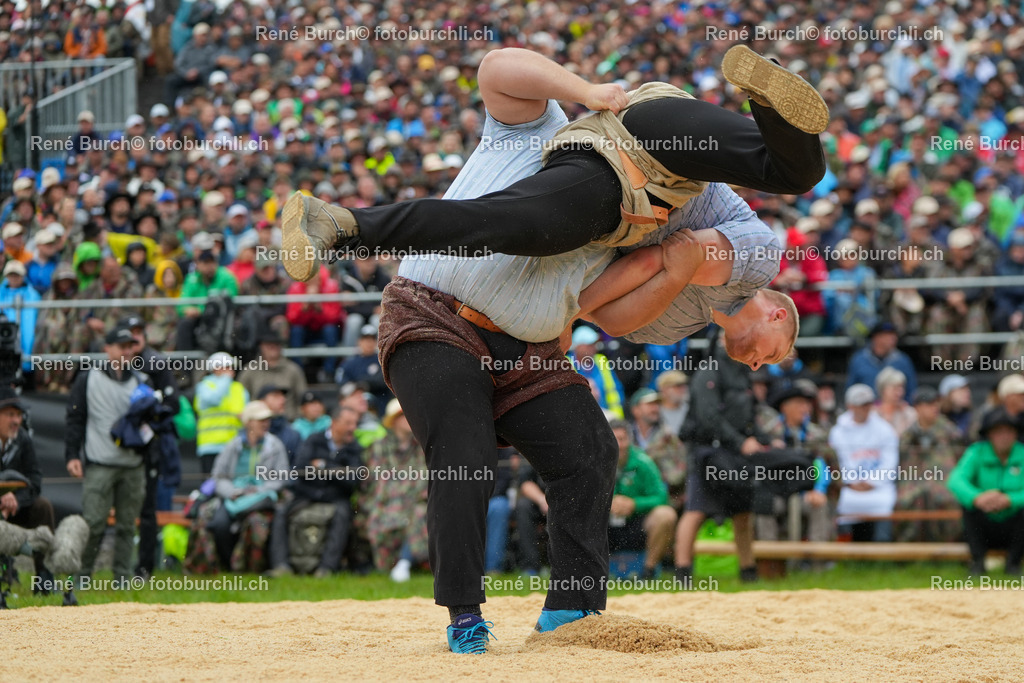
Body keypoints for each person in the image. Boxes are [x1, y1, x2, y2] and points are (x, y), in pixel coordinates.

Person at [299, 46, 823, 652]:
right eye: (774, 353)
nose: (761, 366)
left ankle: (572, 612)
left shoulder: (667, 309)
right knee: (468, 442)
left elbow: (606, 309)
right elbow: (497, 68)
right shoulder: (539, 132)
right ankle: (465, 615)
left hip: (534, 339)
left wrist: (629, 273)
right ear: (779, 312)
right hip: (440, 313)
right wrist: (587, 90)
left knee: (591, 449)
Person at [674, 335, 763, 585]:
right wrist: (740, 442)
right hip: (707, 454)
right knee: (696, 511)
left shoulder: (742, 371)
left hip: (737, 455)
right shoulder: (708, 371)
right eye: (726, 336)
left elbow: (749, 414)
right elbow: (708, 417)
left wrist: (761, 438)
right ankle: (682, 572)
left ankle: (748, 571)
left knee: (743, 513)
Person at [65, 326, 147, 583]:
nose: (126, 351)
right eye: (121, 346)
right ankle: (82, 576)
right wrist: (72, 455)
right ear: (107, 349)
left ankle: (122, 577)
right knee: (93, 523)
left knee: (126, 525)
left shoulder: (141, 381)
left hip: (133, 464)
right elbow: (75, 418)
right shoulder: (88, 379)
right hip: (100, 464)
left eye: (130, 347)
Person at [268, 405, 363, 578]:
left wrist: (324, 466)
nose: (353, 429)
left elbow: (353, 480)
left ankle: (327, 568)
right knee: (281, 512)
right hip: (306, 495)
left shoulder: (355, 448)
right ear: (334, 423)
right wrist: (337, 472)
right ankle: (281, 565)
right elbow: (300, 470)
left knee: (343, 516)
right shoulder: (314, 440)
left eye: (355, 424)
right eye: (348, 423)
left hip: (336, 498)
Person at [120, 315, 180, 578]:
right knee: (121, 506)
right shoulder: (114, 367)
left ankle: (144, 567)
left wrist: (149, 410)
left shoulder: (155, 362)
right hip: (119, 444)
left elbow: (173, 403)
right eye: (129, 336)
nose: (134, 341)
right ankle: (113, 568)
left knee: (147, 508)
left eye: (138, 334)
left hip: (149, 444)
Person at [206, 400, 289, 571]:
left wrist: (258, 490)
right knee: (220, 523)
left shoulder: (275, 446)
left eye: (267, 420)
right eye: (261, 420)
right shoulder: (233, 445)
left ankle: (252, 568)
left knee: (256, 522)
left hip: (262, 499)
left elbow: (281, 478)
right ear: (248, 422)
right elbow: (218, 476)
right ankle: (228, 565)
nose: (266, 424)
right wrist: (231, 492)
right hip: (234, 498)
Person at [754, 381, 836, 547]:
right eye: (799, 403)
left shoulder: (817, 435)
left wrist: (819, 489)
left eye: (807, 403)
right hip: (774, 489)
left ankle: (817, 561)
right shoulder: (768, 433)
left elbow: (829, 466)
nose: (805, 408)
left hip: (807, 490)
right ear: (785, 407)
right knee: (764, 504)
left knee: (819, 503)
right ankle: (769, 561)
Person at [948, 408, 1024, 577]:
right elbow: (955, 480)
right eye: (998, 431)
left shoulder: (1022, 453)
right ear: (990, 434)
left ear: (1015, 434)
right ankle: (978, 562)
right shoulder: (976, 452)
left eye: (1009, 431)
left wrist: (1010, 499)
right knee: (968, 507)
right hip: (984, 523)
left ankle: (1014, 563)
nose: (1004, 436)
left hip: (1015, 525)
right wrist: (977, 498)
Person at [361, 399, 428, 583]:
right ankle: (397, 563)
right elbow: (377, 481)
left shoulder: (421, 447)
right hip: (386, 505)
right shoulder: (379, 447)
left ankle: (405, 562)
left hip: (415, 504)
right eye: (403, 415)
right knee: (377, 519)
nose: (409, 419)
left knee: (422, 512)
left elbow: (425, 478)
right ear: (394, 421)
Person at [608, 420, 678, 579]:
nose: (619, 444)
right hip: (603, 525)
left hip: (637, 524)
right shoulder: (594, 461)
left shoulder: (643, 462)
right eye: (614, 439)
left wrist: (634, 504)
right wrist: (607, 504)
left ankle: (648, 571)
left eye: (622, 439)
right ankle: (584, 572)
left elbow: (662, 497)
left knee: (666, 515)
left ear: (630, 440)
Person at [829, 384, 899, 543]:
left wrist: (871, 482)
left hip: (879, 486)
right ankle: (844, 549)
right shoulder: (838, 431)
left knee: (885, 501)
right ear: (850, 406)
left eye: (868, 404)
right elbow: (838, 462)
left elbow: (889, 462)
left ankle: (882, 548)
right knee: (843, 501)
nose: (865, 408)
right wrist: (852, 483)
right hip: (849, 487)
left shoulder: (884, 429)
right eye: (861, 405)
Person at [0, 387, 55, 586]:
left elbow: (35, 479)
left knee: (43, 507)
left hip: (15, 507)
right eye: (10, 414)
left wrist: (15, 499)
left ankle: (44, 577)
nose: (16, 420)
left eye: (19, 415)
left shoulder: (22, 439)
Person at [897, 387, 964, 543]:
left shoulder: (949, 430)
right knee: (908, 500)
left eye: (936, 403)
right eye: (929, 404)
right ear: (918, 408)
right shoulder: (909, 433)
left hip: (945, 479)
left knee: (946, 499)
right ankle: (909, 548)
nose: (935, 407)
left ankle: (949, 546)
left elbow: (959, 457)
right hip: (914, 480)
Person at [194, 351, 248, 474]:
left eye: (231, 367)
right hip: (209, 446)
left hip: (234, 446)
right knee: (210, 486)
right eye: (227, 367)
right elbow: (212, 399)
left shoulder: (238, 388)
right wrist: (225, 379)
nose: (231, 370)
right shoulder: (205, 385)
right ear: (215, 368)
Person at [238, 331, 307, 420]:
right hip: (257, 422)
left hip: (288, 422)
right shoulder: (249, 371)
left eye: (276, 344)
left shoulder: (293, 370)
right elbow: (239, 398)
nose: (272, 347)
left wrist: (296, 418)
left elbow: (303, 398)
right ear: (260, 347)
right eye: (268, 344)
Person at [845, 322, 918, 398]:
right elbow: (851, 389)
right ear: (876, 337)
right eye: (887, 335)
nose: (893, 338)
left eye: (894, 335)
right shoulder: (859, 359)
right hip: (867, 406)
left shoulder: (903, 360)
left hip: (896, 408)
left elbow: (911, 390)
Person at [569, 327, 625, 419]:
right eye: (589, 344)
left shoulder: (601, 360)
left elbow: (616, 389)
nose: (594, 347)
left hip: (606, 416)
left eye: (594, 344)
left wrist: (617, 419)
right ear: (578, 346)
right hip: (579, 418)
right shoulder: (566, 363)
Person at [256, 385, 303, 466]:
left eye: (283, 396)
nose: (283, 400)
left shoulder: (293, 435)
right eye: (276, 396)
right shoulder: (250, 431)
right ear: (262, 401)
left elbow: (296, 469)